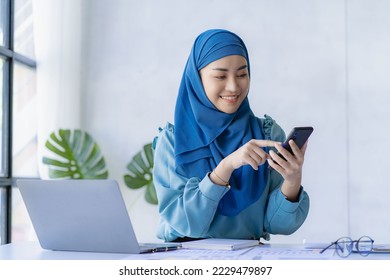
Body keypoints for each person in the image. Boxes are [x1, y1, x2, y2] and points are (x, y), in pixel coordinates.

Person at [152, 29, 310, 242]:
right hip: (187, 260)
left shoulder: (267, 134)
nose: (234, 86)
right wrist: (226, 167)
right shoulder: (172, 143)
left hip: (250, 261)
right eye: (220, 76)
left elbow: (276, 225)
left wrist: (292, 179)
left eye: (242, 74)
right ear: (196, 78)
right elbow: (189, 225)